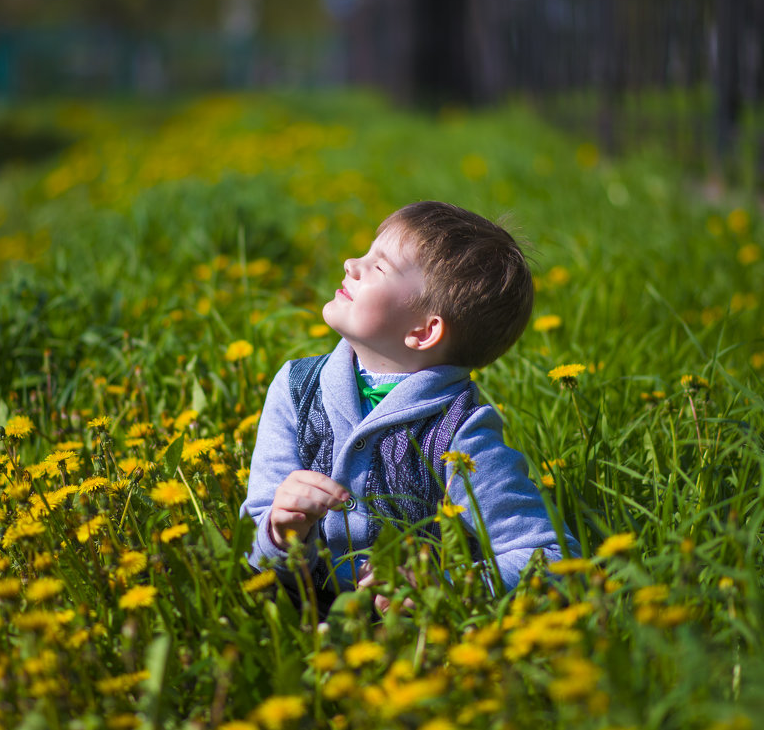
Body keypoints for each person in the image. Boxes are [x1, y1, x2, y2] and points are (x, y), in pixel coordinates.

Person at [240, 201, 575, 613]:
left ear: (423, 330)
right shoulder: (295, 388)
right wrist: (279, 533)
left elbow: (548, 557)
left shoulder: (462, 431)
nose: (349, 263)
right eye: (365, 253)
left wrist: (443, 588)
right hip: (294, 619)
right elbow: (255, 539)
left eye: (379, 267)